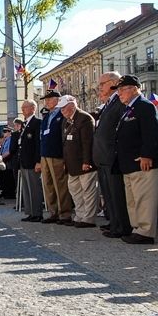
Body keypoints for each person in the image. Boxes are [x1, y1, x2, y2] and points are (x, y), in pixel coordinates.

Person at [113, 75, 158, 244]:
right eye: (118, 90)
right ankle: (137, 229)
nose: (119, 93)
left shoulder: (145, 106)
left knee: (144, 199)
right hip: (129, 163)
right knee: (133, 200)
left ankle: (145, 232)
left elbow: (152, 132)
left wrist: (147, 154)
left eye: (122, 89)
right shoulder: (129, 108)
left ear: (135, 89)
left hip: (142, 162)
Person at [94, 72, 132, 239]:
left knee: (117, 194)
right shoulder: (109, 103)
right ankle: (114, 222)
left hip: (113, 155)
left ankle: (121, 226)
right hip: (103, 156)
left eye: (102, 83)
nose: (100, 87)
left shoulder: (120, 101)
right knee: (108, 194)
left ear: (113, 83)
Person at [59, 95, 99, 228]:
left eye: (64, 108)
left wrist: (87, 161)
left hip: (84, 163)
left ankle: (88, 218)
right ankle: (80, 215)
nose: (62, 111)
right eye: (61, 109)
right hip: (72, 164)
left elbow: (88, 143)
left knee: (88, 191)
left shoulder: (84, 118)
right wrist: (65, 162)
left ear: (72, 106)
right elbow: (65, 144)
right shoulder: (66, 121)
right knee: (75, 191)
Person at [38, 90, 73, 224]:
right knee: (48, 185)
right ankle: (53, 212)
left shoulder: (61, 114)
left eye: (49, 99)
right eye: (45, 100)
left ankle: (65, 213)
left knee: (60, 185)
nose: (46, 102)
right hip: (45, 154)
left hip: (57, 154)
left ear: (57, 100)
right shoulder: (47, 116)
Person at [17, 101, 44, 221]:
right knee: (27, 189)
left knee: (34, 188)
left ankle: (37, 213)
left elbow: (38, 143)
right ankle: (30, 212)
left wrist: (38, 161)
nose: (22, 110)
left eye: (25, 107)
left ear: (33, 108)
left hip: (32, 161)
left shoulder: (37, 123)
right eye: (22, 108)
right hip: (24, 161)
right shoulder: (24, 124)